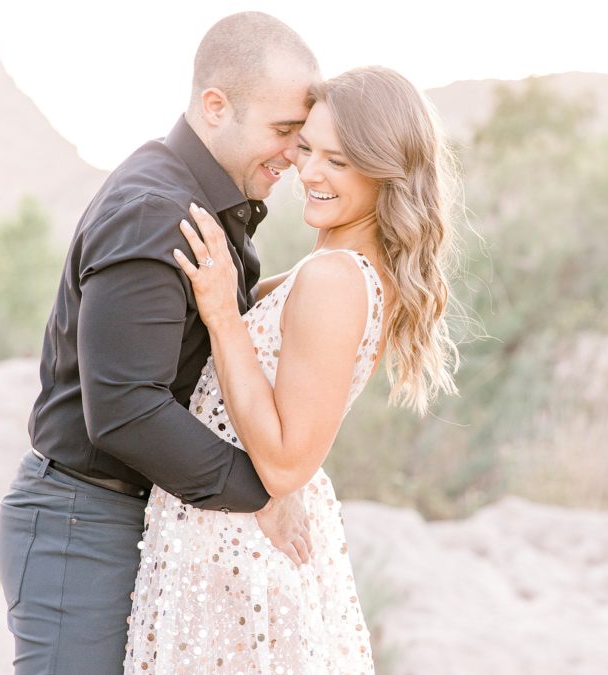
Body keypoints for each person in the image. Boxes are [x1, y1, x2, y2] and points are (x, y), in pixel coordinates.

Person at [0, 13, 321, 674]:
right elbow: (124, 408)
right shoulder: (156, 208)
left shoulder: (204, 202)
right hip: (80, 525)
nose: (295, 153)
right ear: (215, 106)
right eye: (284, 131)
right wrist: (263, 488)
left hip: (133, 519)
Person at [123, 65, 462, 673]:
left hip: (240, 555)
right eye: (306, 149)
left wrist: (225, 316)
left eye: (339, 161)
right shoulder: (336, 265)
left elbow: (284, 463)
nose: (308, 172)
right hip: (228, 543)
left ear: (386, 171)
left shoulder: (336, 279)